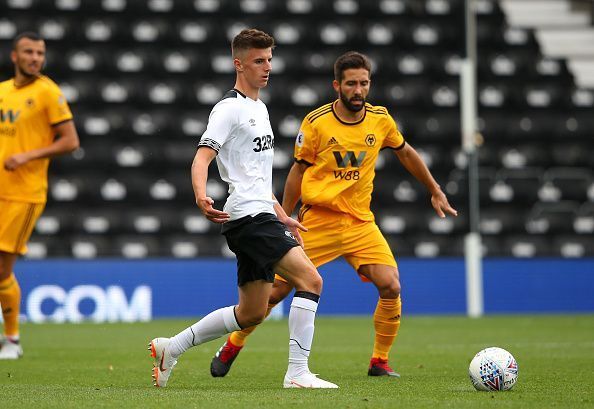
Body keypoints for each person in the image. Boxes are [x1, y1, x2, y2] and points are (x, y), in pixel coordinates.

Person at [210, 51, 458, 378]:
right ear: (337, 85)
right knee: (278, 291)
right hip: (318, 221)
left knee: (391, 285)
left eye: (364, 83)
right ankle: (233, 343)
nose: (358, 90)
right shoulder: (316, 123)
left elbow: (406, 152)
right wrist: (284, 216)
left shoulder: (380, 120)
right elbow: (298, 173)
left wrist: (434, 189)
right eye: (351, 83)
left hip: (359, 223)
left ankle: (379, 361)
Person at [148, 29, 337, 389]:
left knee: (251, 312)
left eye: (269, 59)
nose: (267, 67)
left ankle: (170, 347)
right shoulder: (228, 109)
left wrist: (282, 213)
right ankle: (297, 373)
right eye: (258, 61)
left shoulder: (259, 108)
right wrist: (201, 195)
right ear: (239, 64)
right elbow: (202, 158)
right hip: (249, 218)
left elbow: (256, 176)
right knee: (311, 281)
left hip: (258, 213)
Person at [0, 32, 80, 360]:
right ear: (14, 56)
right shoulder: (3, 92)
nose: (35, 57)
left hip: (24, 193)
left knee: (2, 269)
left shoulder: (48, 92)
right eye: (29, 52)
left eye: (40, 53)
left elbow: (70, 140)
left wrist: (28, 155)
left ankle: (13, 341)